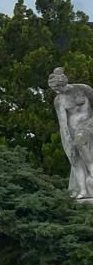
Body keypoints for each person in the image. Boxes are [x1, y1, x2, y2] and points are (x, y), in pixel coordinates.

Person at [48, 67, 93, 201]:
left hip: (89, 126)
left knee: (86, 153)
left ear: (64, 82)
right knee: (75, 160)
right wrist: (67, 140)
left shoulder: (83, 89)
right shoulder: (59, 100)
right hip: (72, 131)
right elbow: (63, 123)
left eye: (59, 87)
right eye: (55, 89)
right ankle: (83, 190)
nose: (58, 91)